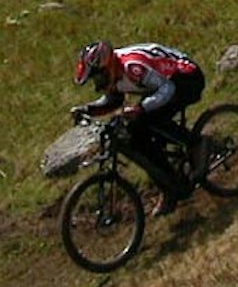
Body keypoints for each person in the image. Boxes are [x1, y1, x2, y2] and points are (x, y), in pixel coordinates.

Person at [72, 39, 206, 210]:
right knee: (137, 137)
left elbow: (167, 89)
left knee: (151, 119)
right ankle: (170, 186)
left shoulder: (133, 67)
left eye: (97, 76)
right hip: (162, 85)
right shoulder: (115, 73)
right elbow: (112, 101)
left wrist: (140, 108)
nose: (98, 82)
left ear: (107, 67)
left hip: (186, 78)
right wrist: (87, 109)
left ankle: (196, 143)